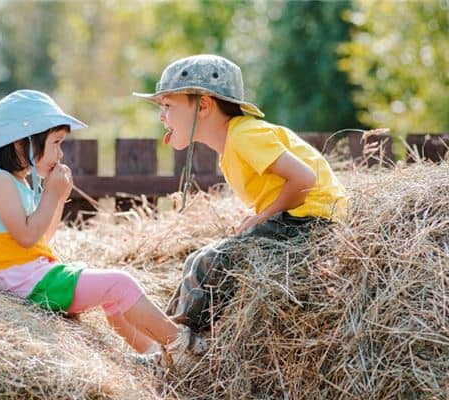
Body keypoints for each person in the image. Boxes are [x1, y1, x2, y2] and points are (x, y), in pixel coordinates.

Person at [0, 89, 205, 367]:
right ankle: (184, 346)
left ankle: (153, 357)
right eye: (55, 142)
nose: (60, 152)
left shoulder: (15, 182)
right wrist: (51, 195)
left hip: (27, 278)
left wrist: (56, 199)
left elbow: (42, 238)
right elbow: (28, 236)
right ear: (22, 145)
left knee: (114, 299)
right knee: (120, 284)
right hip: (23, 284)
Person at [133, 54, 347, 332]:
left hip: (312, 221)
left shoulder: (244, 135)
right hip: (298, 218)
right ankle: (164, 340)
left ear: (204, 105)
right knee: (196, 261)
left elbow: (305, 179)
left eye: (168, 105)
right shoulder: (231, 146)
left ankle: (180, 348)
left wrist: (262, 218)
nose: (162, 116)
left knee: (209, 263)